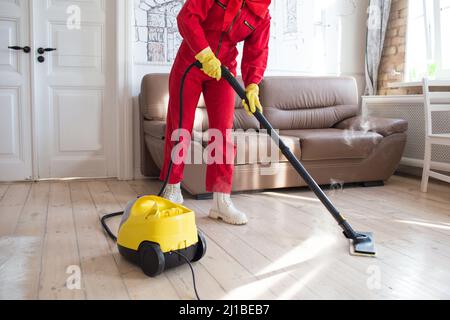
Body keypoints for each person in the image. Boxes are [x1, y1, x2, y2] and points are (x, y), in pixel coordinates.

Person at [161, 0, 272, 225]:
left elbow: (257, 50)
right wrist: (204, 53)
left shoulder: (262, 14)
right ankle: (172, 189)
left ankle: (221, 201)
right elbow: (186, 18)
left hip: (223, 70)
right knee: (180, 127)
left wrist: (252, 85)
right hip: (191, 62)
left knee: (223, 133)